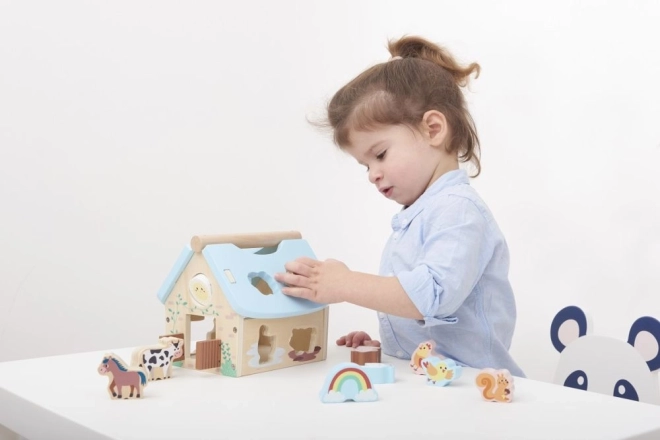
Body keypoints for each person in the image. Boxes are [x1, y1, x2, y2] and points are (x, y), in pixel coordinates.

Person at [273, 35, 524, 377]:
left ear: (433, 129)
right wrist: (394, 346)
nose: (372, 175)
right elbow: (422, 314)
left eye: (380, 155)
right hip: (436, 380)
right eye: (365, 165)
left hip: (474, 386)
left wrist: (344, 283)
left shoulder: (458, 211)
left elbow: (431, 296)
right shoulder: (421, 214)